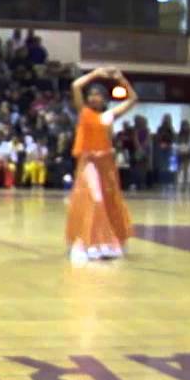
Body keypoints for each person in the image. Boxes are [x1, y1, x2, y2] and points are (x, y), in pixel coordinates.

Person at [65, 67, 138, 264]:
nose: (93, 97)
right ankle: (87, 242)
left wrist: (121, 79)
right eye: (91, 94)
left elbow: (133, 99)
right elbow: (75, 85)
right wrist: (96, 73)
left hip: (106, 164)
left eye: (98, 94)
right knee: (94, 200)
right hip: (89, 163)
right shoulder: (84, 112)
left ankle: (106, 241)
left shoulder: (109, 116)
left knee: (108, 202)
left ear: (105, 99)